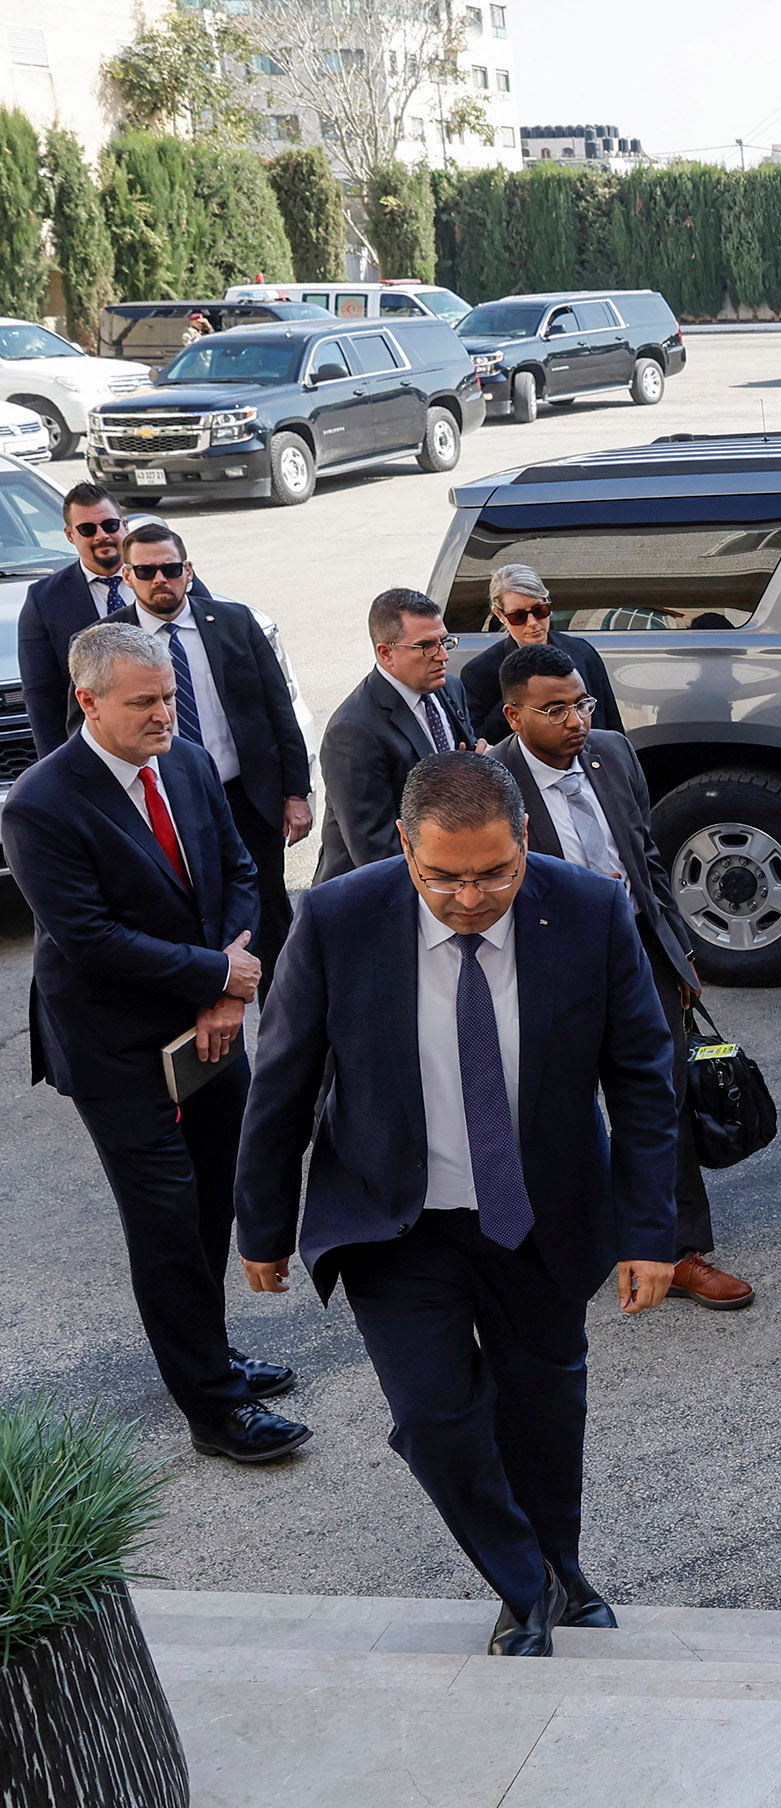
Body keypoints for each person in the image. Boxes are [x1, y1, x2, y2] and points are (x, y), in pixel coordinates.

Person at [237, 751, 683, 1658]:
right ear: (404, 846)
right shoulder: (336, 918)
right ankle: (524, 1583)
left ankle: (558, 1560)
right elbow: (280, 1081)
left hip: (539, 1217)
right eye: (444, 876)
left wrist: (650, 1233)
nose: (471, 897)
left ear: (525, 840)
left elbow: (642, 1082)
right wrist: (263, 1223)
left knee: (545, 1410)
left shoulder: (592, 912)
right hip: (394, 1224)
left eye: (495, 874)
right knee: (435, 1418)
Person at [0, 624, 306, 1465]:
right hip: (119, 1048)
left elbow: (242, 873)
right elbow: (90, 939)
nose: (166, 714)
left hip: (211, 1022)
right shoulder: (40, 804)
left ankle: (209, 1353)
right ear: (89, 702)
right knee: (166, 1218)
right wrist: (216, 978)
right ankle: (214, 1412)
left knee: (216, 1199)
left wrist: (221, 990)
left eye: (170, 695)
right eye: (145, 703)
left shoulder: (191, 762)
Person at [492, 642, 750, 1311]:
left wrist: (678, 948)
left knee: (662, 1103)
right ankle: (557, 1248)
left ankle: (677, 1249)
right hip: (549, 969)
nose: (576, 719)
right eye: (555, 710)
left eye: (581, 703)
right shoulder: (490, 783)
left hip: (638, 952)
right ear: (514, 717)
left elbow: (647, 853)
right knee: (559, 1116)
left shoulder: (612, 752)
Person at [108, 522, 311, 991]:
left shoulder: (235, 622)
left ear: (189, 571)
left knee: (267, 914)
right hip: (164, 802)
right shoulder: (109, 640)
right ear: (127, 576)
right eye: (146, 571)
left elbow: (280, 712)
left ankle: (282, 1026)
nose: (161, 579)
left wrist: (296, 793)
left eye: (171, 568)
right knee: (189, 913)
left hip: (246, 798)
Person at [316, 588, 472, 883]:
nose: (443, 656)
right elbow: (375, 852)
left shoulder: (449, 688)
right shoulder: (352, 732)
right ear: (386, 653)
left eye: (444, 641)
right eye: (426, 646)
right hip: (379, 892)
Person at [18, 481, 135, 755]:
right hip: (98, 753)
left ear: (125, 524)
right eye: (87, 529)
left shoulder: (164, 574)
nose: (101, 536)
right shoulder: (44, 600)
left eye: (109, 525)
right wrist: (57, 767)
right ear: (70, 535)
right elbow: (42, 695)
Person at [457, 564, 622, 745]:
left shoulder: (581, 652)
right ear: (499, 615)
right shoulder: (479, 672)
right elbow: (481, 742)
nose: (533, 623)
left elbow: (611, 725)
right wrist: (517, 691)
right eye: (518, 616)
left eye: (539, 611)